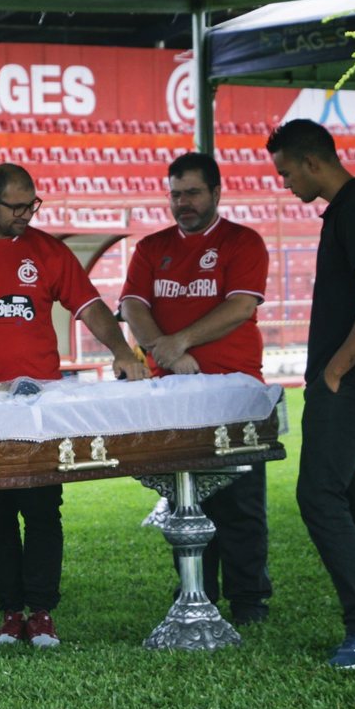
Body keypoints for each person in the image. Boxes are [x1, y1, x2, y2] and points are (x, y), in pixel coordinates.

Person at [0, 163, 149, 649]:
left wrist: (123, 352)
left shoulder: (47, 251)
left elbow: (89, 307)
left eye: (32, 205)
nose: (27, 214)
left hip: (41, 406)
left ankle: (42, 613)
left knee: (44, 507)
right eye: (16, 206)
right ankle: (8, 612)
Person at [267, 119, 355, 669]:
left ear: (312, 163)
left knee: (318, 496)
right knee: (352, 499)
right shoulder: (353, 209)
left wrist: (336, 372)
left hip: (350, 384)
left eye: (286, 173)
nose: (284, 185)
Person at [119, 152, 273, 626]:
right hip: (176, 396)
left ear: (216, 193)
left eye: (192, 193)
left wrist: (179, 341)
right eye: (175, 194)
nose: (182, 203)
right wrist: (161, 351)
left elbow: (241, 306)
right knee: (187, 498)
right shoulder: (151, 248)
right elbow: (132, 304)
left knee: (241, 502)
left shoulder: (242, 242)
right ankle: (194, 590)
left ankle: (249, 600)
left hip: (234, 390)